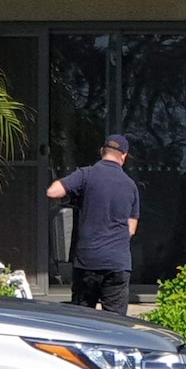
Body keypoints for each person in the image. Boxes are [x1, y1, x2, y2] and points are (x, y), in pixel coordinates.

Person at [46, 134, 140, 316]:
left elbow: (53, 191)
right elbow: (131, 229)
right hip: (118, 263)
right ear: (124, 156)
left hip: (88, 261)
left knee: (83, 320)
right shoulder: (131, 186)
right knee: (116, 323)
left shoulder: (86, 175)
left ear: (102, 152)